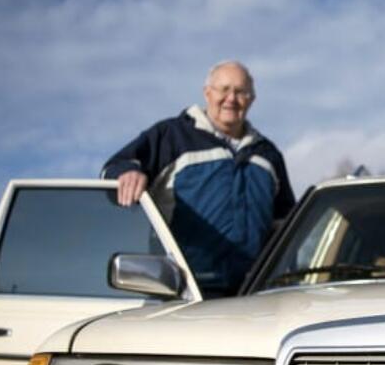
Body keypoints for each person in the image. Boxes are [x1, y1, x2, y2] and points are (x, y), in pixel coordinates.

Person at [102, 61, 294, 297]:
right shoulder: (172, 135)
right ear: (207, 93)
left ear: (251, 99)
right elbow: (116, 167)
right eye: (223, 89)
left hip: (254, 294)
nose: (231, 98)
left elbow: (286, 223)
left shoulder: (268, 155)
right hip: (184, 291)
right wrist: (127, 173)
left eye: (240, 92)